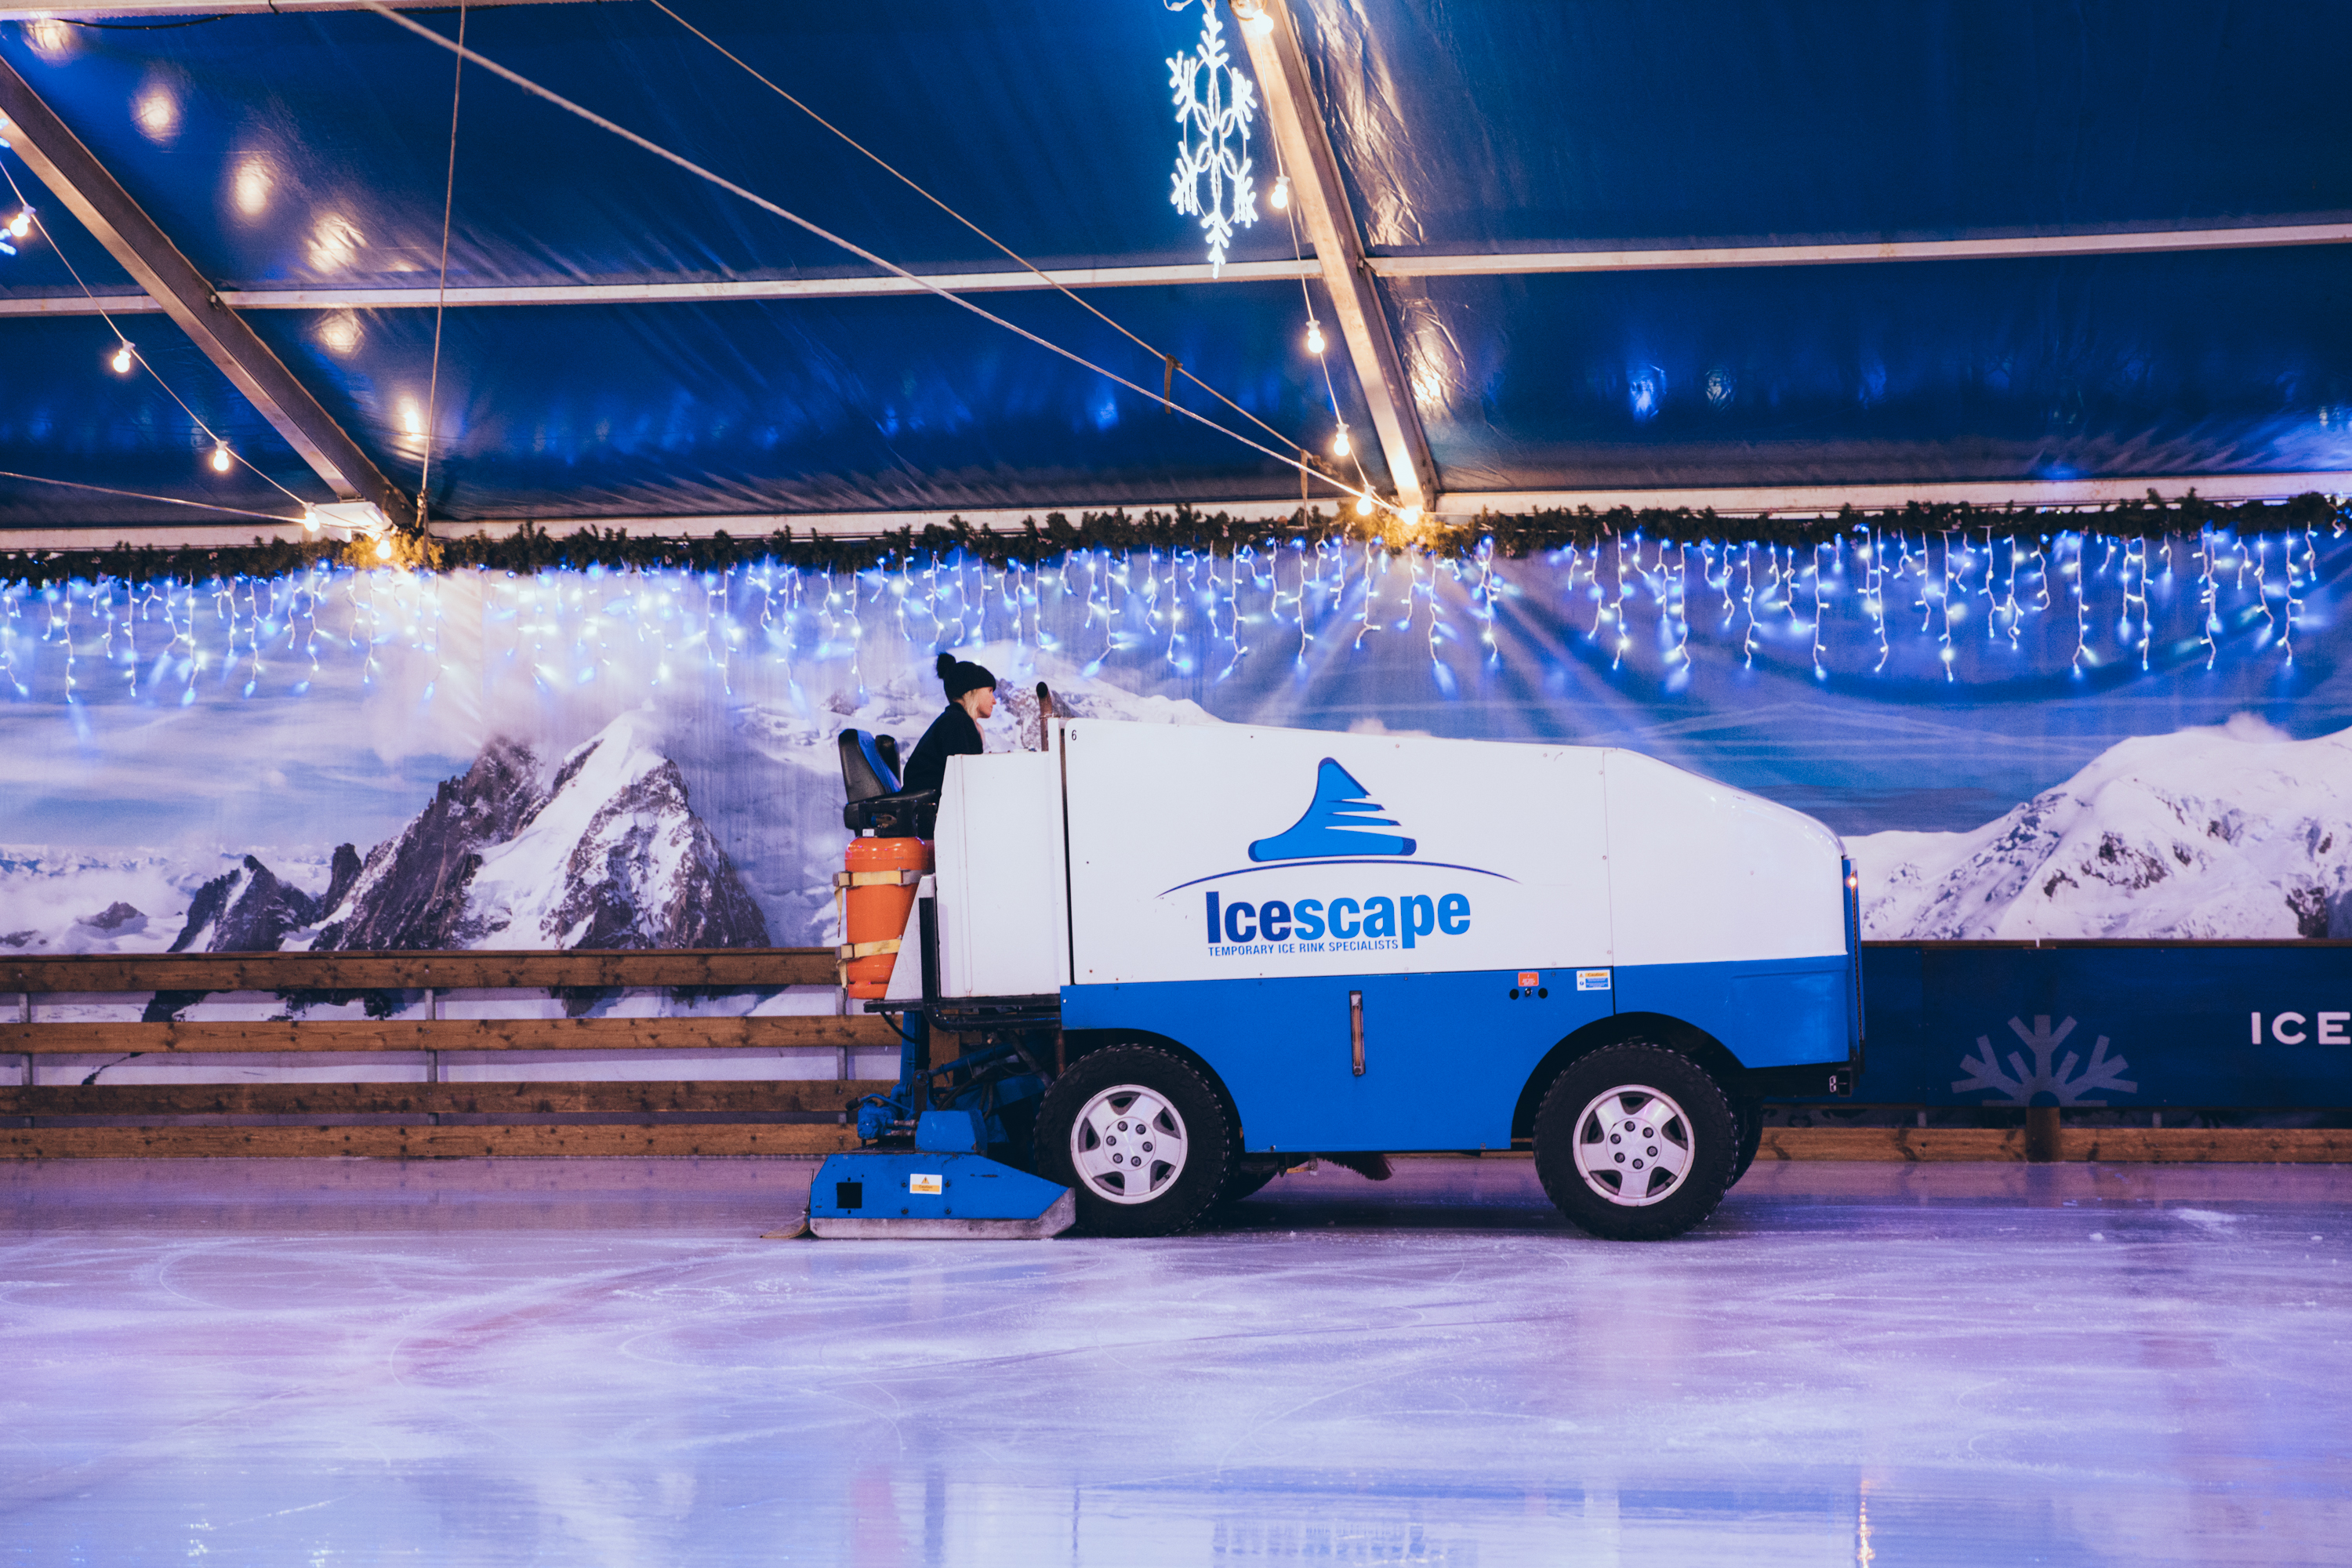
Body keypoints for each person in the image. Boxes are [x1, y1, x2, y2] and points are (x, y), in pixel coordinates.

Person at [899, 652, 997, 795]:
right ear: (972, 691)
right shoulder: (957, 722)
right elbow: (964, 782)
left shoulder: (955, 720)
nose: (994, 700)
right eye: (989, 691)